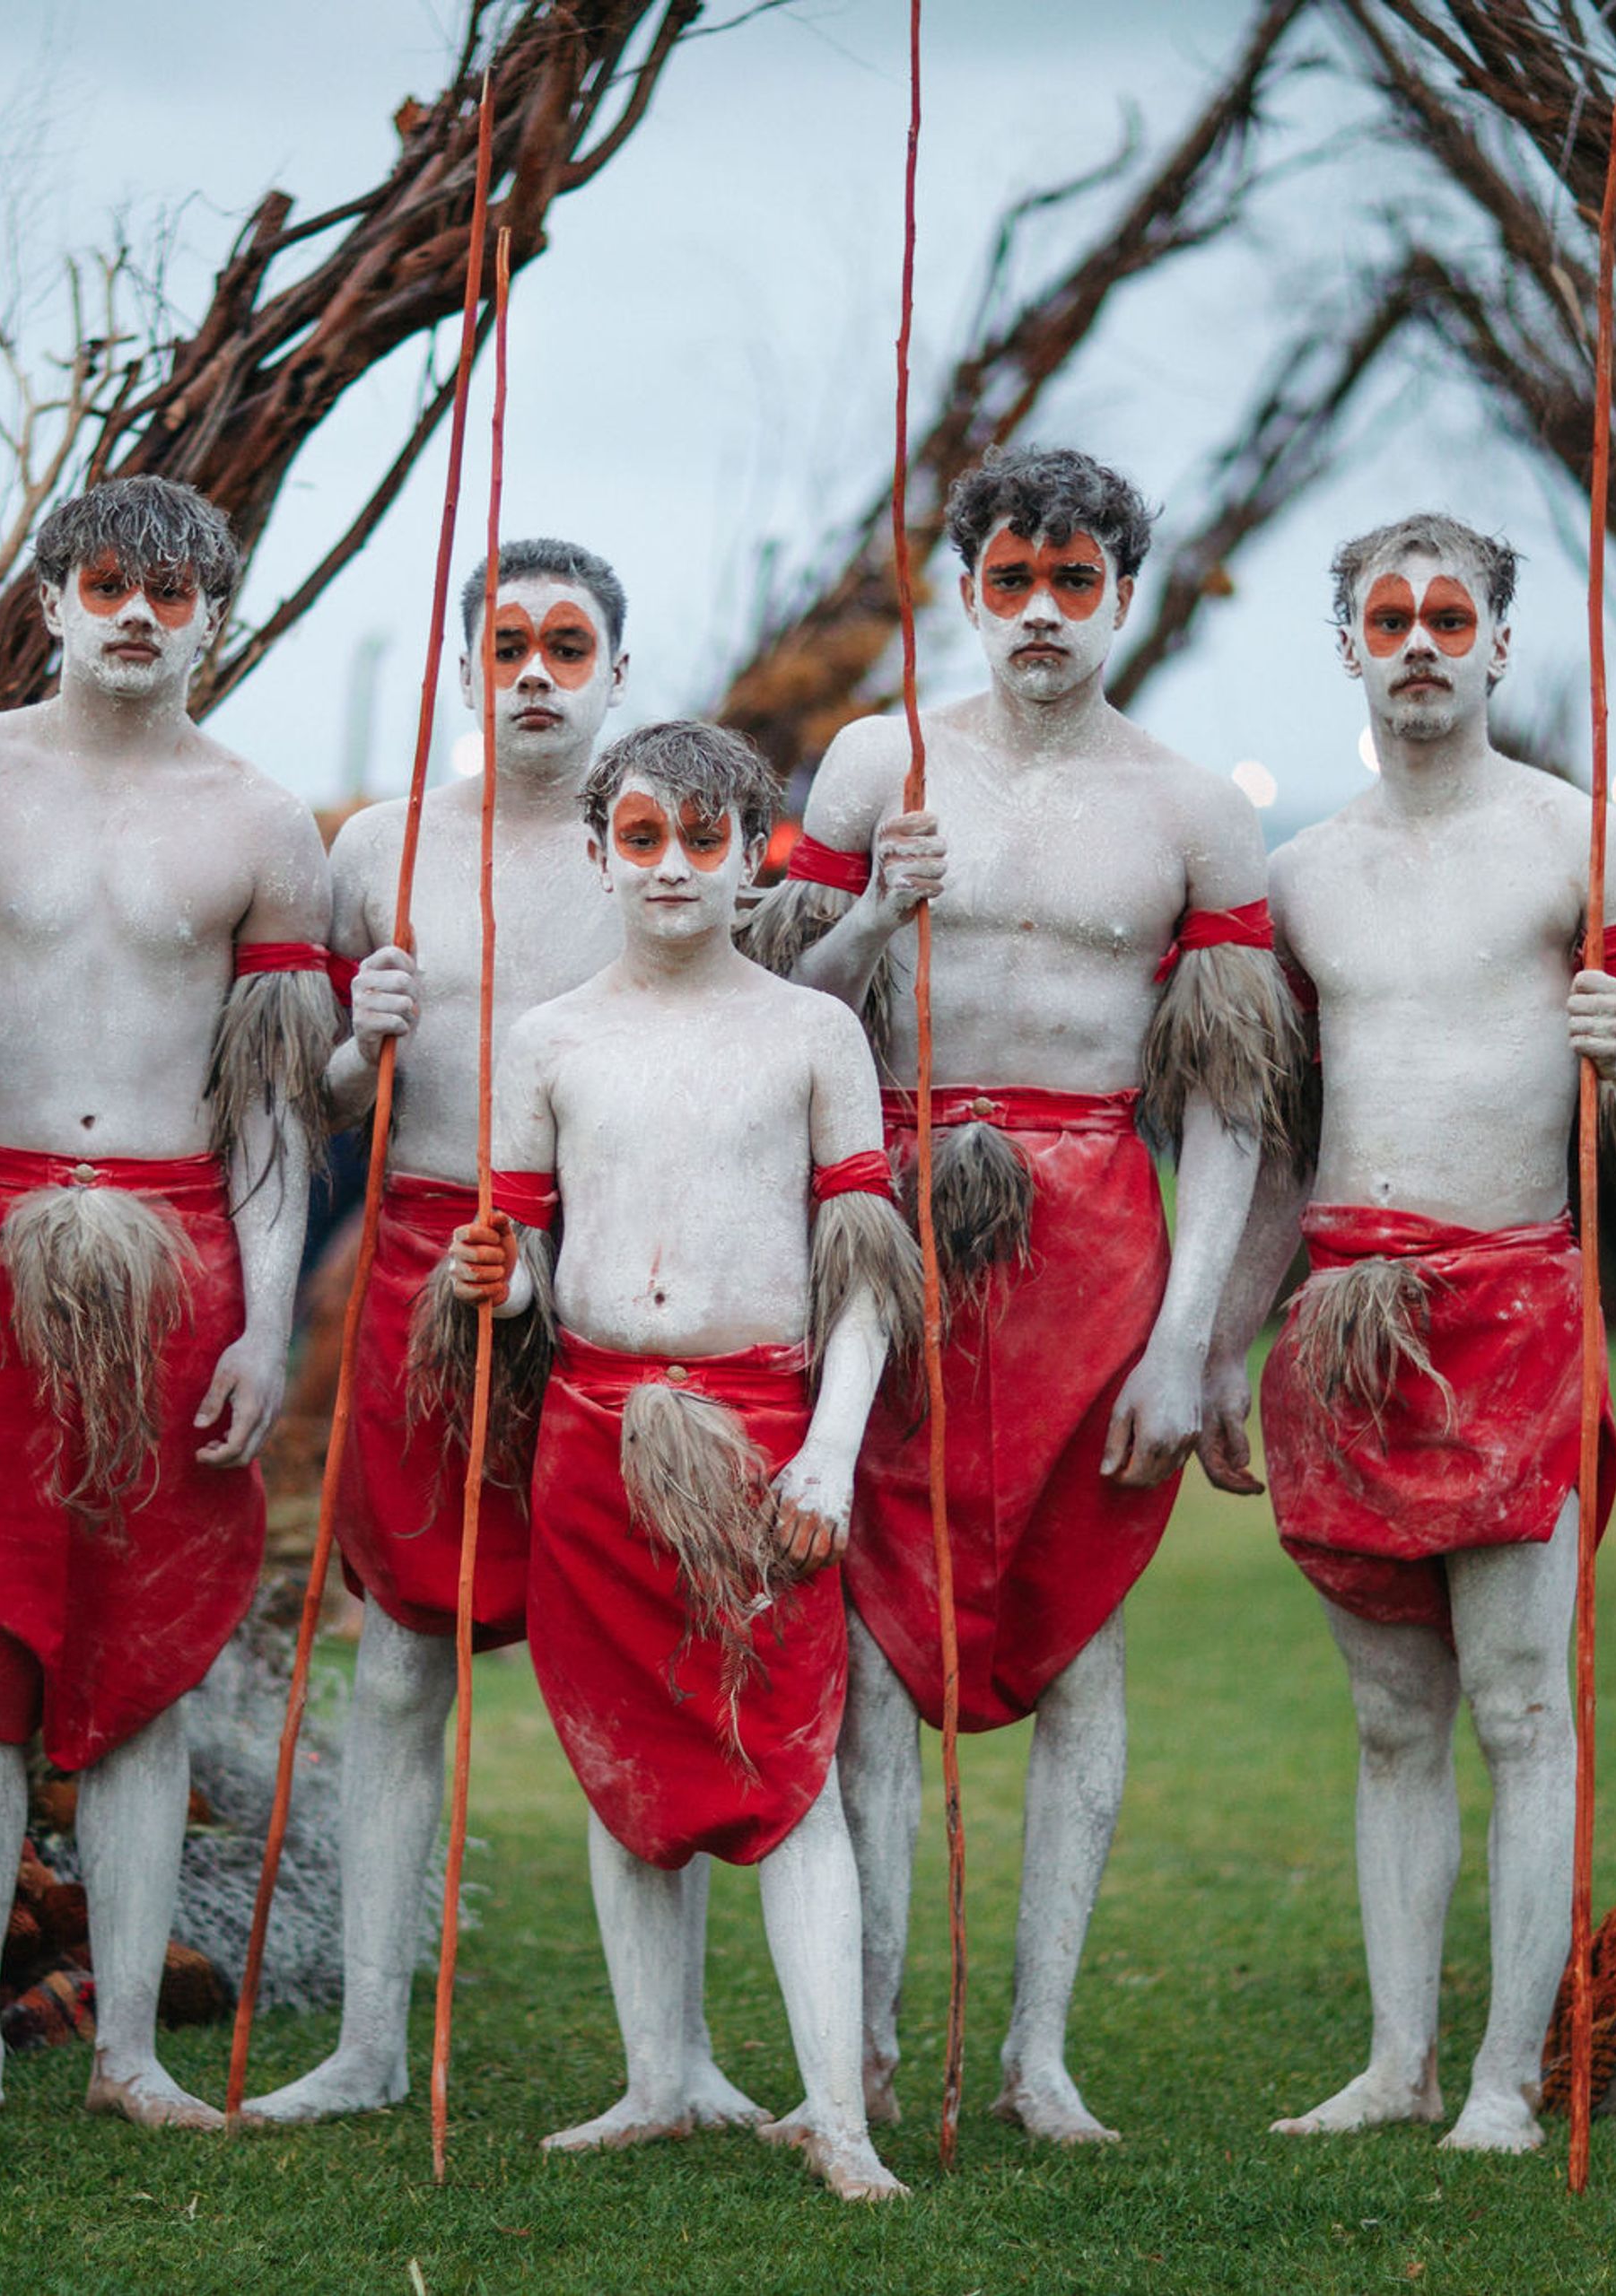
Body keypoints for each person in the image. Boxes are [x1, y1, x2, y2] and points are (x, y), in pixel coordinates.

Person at [746, 447, 1290, 2141]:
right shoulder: (869, 761)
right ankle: (872, 2043)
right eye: (1008, 580)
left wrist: (1194, 1343)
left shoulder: (1192, 809)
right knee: (870, 1636)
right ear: (963, 587)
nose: (1040, 613)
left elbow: (1225, 1097)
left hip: (1091, 1243)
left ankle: (1038, 2053)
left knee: (1081, 1648)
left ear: (1123, 594)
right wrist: (869, 917)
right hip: (891, 1219)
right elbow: (779, 996)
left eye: (1073, 582)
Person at [1204, 512, 1616, 2152]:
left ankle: (1504, 2077)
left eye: (1452, 614)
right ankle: (1396, 2062)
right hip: (1344, 1318)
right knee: (1388, 1717)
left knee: (1519, 1708)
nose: (1421, 640)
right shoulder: (1298, 875)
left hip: (1511, 1299)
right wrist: (1222, 1340)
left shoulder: (1581, 846)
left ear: (1501, 643)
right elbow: (1277, 1147)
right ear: (1352, 646)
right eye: (1390, 616)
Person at [246, 542, 761, 2131]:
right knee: (402, 1666)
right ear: (465, 665)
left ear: (616, 665)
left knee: (639, 1666)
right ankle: (368, 2044)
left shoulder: (654, 841)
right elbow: (307, 1099)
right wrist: (359, 1041)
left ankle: (668, 2060)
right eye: (506, 643)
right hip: (426, 1258)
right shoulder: (381, 848)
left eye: (565, 644)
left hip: (618, 1275)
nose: (533, 670)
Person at [0, 475, 335, 2134]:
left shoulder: (266, 825)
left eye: (174, 588)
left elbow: (273, 1106)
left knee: (148, 1667)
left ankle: (127, 2045)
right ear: (51, 599)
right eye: (108, 580)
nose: (139, 611)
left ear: (215, 616)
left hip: (176, 1252)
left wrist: (268, 1319)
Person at [454, 718, 917, 2200]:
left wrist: (829, 1454)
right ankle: (658, 2074)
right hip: (593, 1438)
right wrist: (498, 1280)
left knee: (789, 1771)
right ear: (594, 855)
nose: (670, 864)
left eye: (701, 836)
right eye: (641, 836)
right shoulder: (547, 1037)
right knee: (622, 1761)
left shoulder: (807, 1030)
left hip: (760, 1434)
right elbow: (529, 1251)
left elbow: (861, 1271)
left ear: (753, 856)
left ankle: (833, 2109)